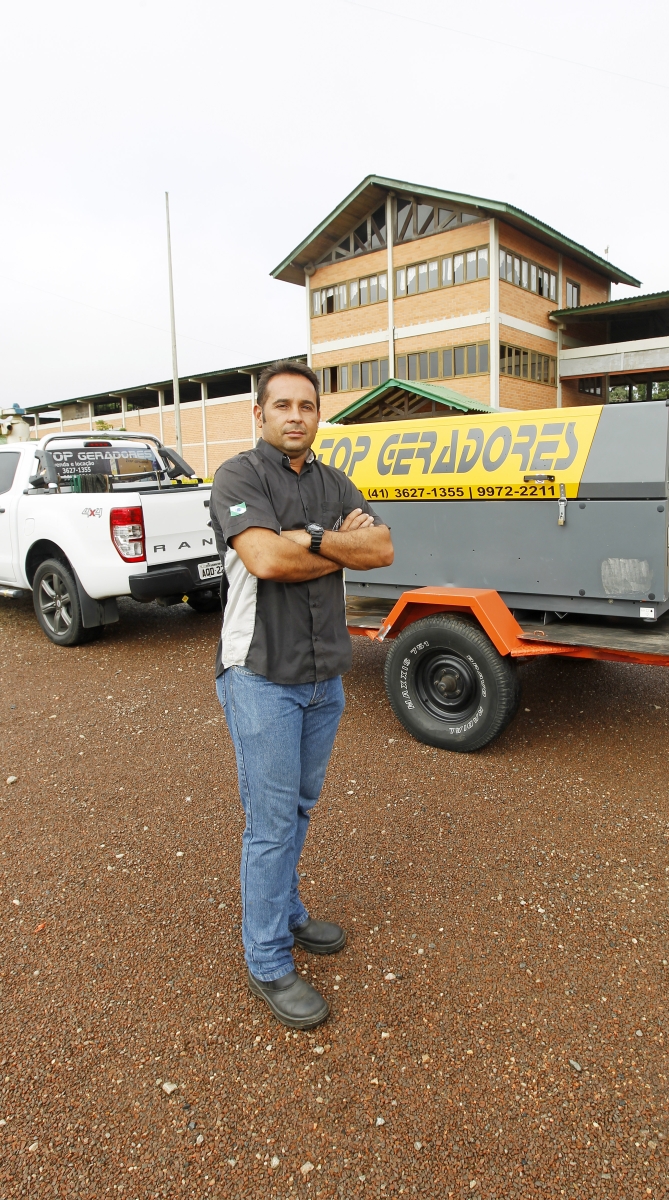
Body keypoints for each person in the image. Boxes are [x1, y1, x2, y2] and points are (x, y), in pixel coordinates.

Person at [209, 361, 393, 1029]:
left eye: (306, 405)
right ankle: (266, 960)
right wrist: (343, 547)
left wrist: (315, 538)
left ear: (319, 415)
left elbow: (384, 549)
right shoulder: (238, 477)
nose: (295, 415)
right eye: (281, 404)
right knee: (271, 822)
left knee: (301, 806)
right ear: (259, 415)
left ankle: (285, 912)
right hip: (261, 676)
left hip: (325, 679)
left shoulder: (334, 480)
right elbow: (265, 560)